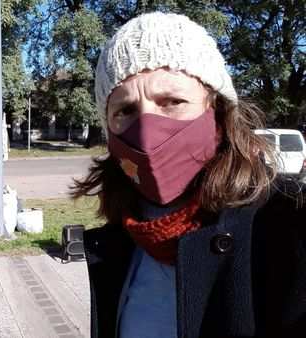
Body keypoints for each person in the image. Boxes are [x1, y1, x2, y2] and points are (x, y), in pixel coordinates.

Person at [72, 12, 306, 338]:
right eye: (125, 110)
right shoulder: (118, 243)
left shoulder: (282, 225)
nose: (148, 131)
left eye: (172, 101)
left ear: (218, 114)